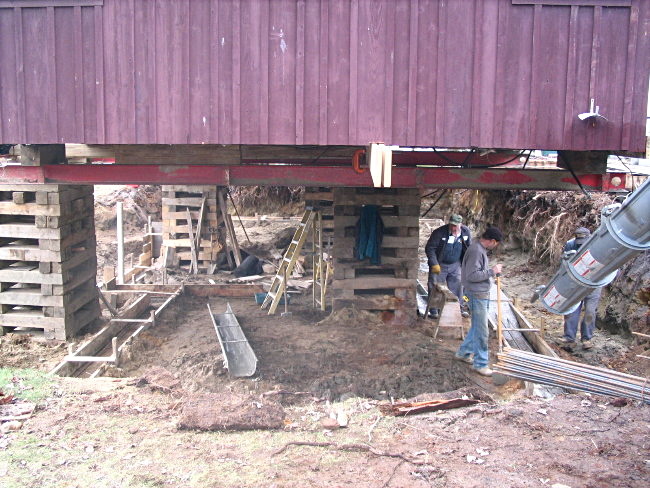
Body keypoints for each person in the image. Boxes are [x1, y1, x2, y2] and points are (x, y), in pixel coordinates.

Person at [454, 226, 504, 377]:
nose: (496, 246)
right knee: (482, 330)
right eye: (496, 244)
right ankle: (481, 364)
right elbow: (472, 276)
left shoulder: (479, 249)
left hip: (479, 294)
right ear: (492, 241)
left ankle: (463, 353)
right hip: (475, 295)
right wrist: (492, 272)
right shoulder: (476, 251)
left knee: (477, 326)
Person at [561, 227, 601, 351]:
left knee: (590, 311)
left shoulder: (599, 244)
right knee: (572, 310)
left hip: (594, 283)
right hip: (575, 283)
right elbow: (563, 264)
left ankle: (586, 339)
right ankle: (569, 338)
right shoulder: (570, 245)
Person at [425, 214, 471, 319]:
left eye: (456, 226)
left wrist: (467, 263)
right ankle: (433, 309)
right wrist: (434, 263)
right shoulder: (439, 232)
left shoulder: (465, 232)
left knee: (458, 285)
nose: (454, 228)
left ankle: (457, 307)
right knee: (435, 285)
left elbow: (469, 247)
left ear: (461, 224)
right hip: (440, 263)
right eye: (452, 225)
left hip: (456, 264)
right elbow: (430, 248)